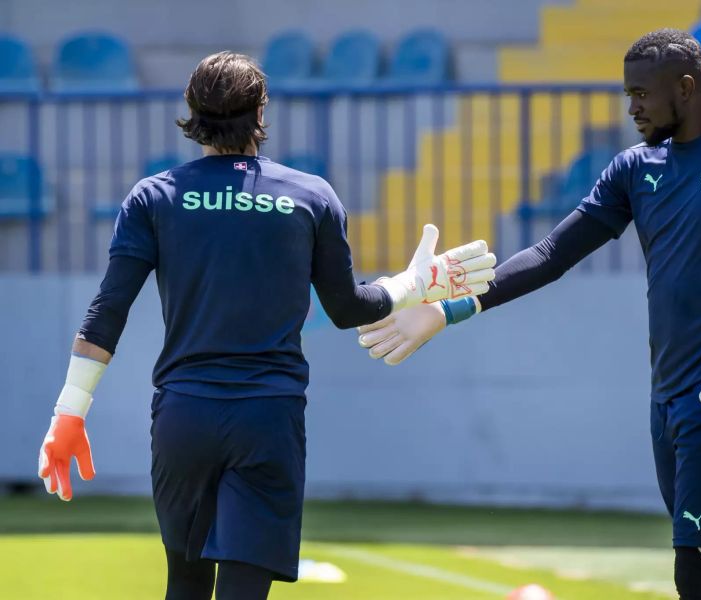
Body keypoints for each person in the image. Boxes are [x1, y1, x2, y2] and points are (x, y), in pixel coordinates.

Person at [357, 29, 701, 600]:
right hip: (668, 401)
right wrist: (448, 310)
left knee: (699, 570)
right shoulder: (635, 168)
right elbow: (552, 255)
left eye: (641, 94)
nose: (631, 107)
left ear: (686, 87)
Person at [36, 51, 495, 600]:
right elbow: (349, 307)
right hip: (268, 419)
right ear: (260, 112)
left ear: (192, 112)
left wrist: (69, 413)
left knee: (184, 586)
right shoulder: (310, 196)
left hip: (184, 417)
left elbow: (106, 311)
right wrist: (414, 284)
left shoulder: (154, 197)